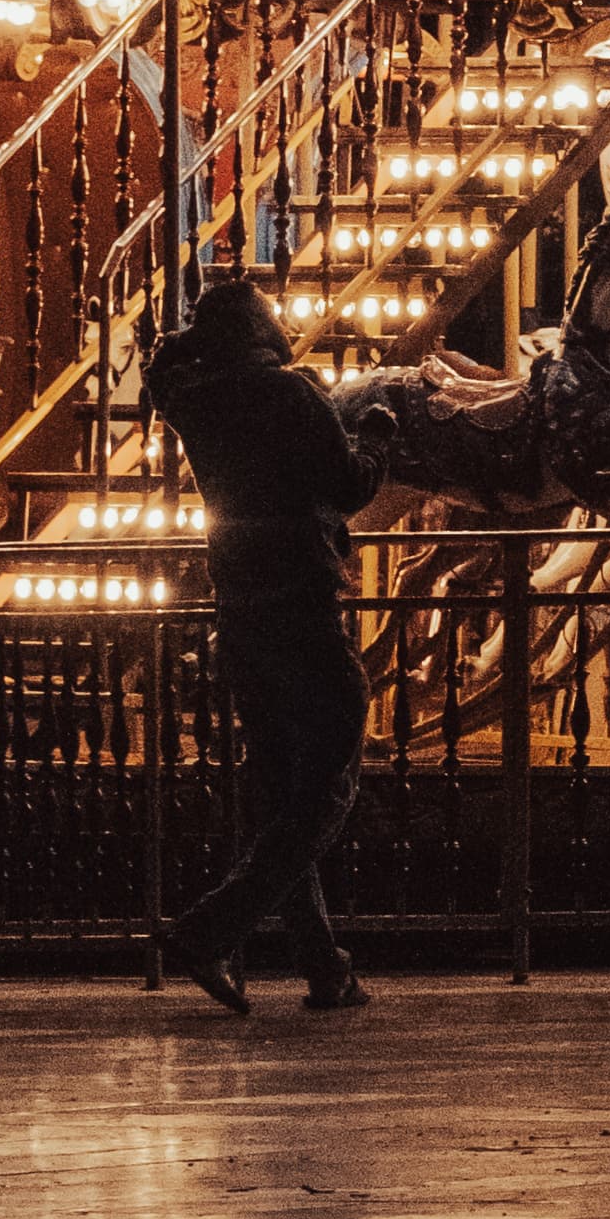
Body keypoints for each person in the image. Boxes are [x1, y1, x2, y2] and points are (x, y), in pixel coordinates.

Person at [142, 271, 376, 1018]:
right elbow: (348, 486)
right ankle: (208, 929)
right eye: (270, 314)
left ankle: (324, 968)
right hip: (302, 604)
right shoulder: (293, 394)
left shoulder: (194, 400)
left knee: (283, 795)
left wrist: (181, 342)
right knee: (330, 780)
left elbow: (159, 373)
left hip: (240, 610)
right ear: (258, 328)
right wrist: (377, 441)